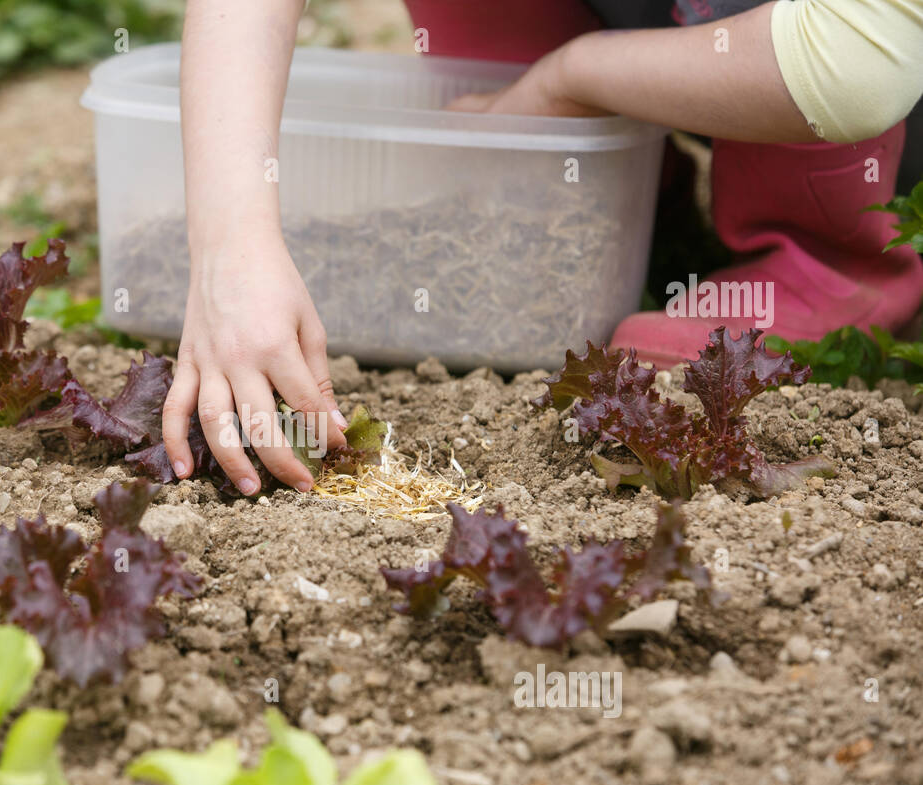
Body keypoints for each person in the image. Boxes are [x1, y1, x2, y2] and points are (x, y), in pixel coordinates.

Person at [162, 0, 923, 496]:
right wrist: (232, 246)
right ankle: (612, 197)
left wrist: (571, 77)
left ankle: (827, 249)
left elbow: (854, 64)